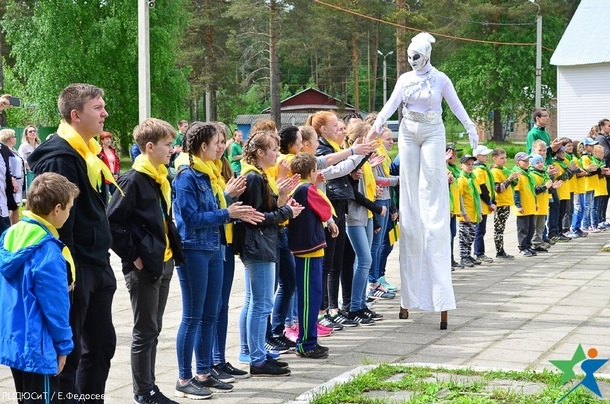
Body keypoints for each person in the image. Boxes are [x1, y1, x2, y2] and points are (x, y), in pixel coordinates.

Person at [369, 32, 477, 328]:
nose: (412, 61)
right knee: (409, 184)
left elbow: (456, 106)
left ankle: (433, 221)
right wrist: (377, 124)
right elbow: (391, 104)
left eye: (416, 56)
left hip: (432, 130)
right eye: (409, 56)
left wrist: (470, 127)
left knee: (431, 182)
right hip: (408, 129)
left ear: (426, 55)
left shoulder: (440, 79)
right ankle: (414, 219)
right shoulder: (405, 79)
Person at [28, 83, 120, 402]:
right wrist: (66, 274)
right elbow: (56, 224)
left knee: (102, 346)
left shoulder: (88, 152)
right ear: (75, 115)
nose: (105, 113)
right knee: (69, 354)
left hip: (97, 264)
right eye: (98, 108)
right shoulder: (60, 158)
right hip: (75, 269)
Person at [172, 122, 262, 396]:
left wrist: (232, 210)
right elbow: (189, 219)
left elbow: (214, 210)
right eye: (216, 143)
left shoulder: (209, 173)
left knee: (210, 313)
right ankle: (184, 379)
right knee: (192, 316)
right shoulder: (186, 176)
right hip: (194, 250)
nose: (220, 147)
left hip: (214, 248)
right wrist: (227, 214)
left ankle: (204, 372)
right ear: (203, 146)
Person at [106, 118, 184, 404]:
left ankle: (150, 388)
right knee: (145, 331)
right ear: (149, 147)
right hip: (145, 267)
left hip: (163, 262)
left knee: (154, 329)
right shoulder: (133, 180)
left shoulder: (160, 176)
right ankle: (143, 392)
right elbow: (112, 224)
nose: (172, 149)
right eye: (168, 144)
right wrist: (135, 257)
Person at [0, 172, 79, 404]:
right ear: (57, 209)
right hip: (39, 346)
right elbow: (56, 306)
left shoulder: (10, 235)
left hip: (15, 340)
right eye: (69, 208)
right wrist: (63, 346)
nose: (69, 214)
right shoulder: (47, 250)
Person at [233, 129, 303, 377]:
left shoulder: (260, 175)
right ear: (260, 153)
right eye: (273, 149)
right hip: (257, 246)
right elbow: (256, 217)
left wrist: (282, 200)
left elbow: (265, 209)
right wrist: (286, 213)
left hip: (263, 244)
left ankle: (258, 354)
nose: (277, 154)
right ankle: (257, 359)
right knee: (262, 304)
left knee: (259, 303)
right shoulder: (253, 177)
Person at [288, 152, 338, 359]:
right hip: (308, 250)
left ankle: (310, 339)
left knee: (313, 295)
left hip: (311, 249)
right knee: (309, 298)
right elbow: (326, 209)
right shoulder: (306, 188)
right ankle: (305, 343)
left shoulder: (301, 188)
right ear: (311, 172)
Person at [490, 148, 521, 259]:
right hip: (500, 203)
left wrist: (514, 178)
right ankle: (499, 251)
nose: (504, 160)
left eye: (505, 158)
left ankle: (501, 250)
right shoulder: (495, 171)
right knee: (499, 228)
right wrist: (509, 179)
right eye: (501, 158)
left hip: (506, 202)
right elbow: (498, 188)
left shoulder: (504, 169)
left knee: (502, 228)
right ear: (494, 159)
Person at [457, 155, 483, 268]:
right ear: (461, 166)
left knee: (471, 236)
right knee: (464, 237)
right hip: (465, 214)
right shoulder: (461, 180)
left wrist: (480, 212)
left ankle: (468, 255)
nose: (471, 166)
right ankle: (464, 257)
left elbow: (477, 196)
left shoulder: (473, 178)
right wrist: (464, 214)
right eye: (467, 164)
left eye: (472, 164)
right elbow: (459, 198)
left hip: (474, 213)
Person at [472, 145, 496, 262]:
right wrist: (489, 202)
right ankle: (478, 253)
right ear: (477, 157)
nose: (487, 157)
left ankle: (479, 252)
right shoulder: (478, 170)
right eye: (484, 155)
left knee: (482, 230)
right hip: (481, 205)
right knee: (479, 230)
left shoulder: (484, 169)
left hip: (485, 204)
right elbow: (482, 189)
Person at [512, 152, 538, 257]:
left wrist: (535, 203)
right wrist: (518, 205)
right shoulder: (517, 174)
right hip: (523, 207)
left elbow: (532, 190)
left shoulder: (528, 174)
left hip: (530, 205)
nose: (527, 163)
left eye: (528, 161)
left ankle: (528, 245)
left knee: (531, 228)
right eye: (524, 161)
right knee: (523, 229)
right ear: (518, 162)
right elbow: (516, 192)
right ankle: (522, 247)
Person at [0, 129, 25, 225]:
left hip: (17, 180)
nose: (15, 138)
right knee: (11, 206)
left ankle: (14, 226)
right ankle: (11, 226)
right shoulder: (5, 151)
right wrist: (12, 179)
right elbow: (7, 168)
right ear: (10, 138)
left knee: (16, 206)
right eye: (14, 136)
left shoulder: (12, 150)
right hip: (12, 182)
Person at [18, 125, 41, 194]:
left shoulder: (39, 146)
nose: (33, 133)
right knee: (31, 192)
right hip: (29, 172)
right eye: (30, 131)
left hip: (39, 172)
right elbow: (21, 160)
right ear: (26, 135)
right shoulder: (23, 147)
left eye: (34, 131)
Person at [98, 131, 120, 201]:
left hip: (113, 176)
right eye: (107, 139)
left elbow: (117, 162)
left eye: (110, 139)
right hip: (104, 177)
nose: (109, 140)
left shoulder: (112, 150)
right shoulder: (99, 151)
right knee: (106, 197)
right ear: (102, 140)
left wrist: (117, 173)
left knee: (116, 196)